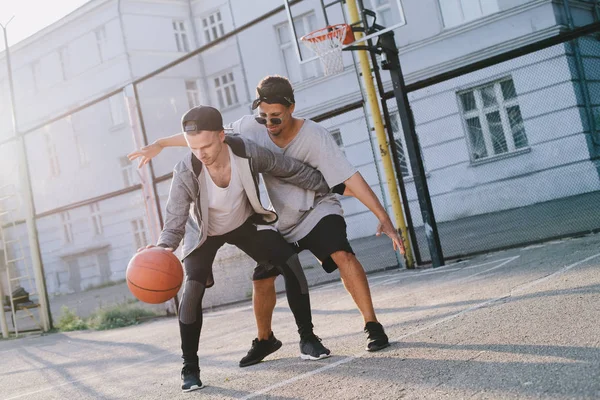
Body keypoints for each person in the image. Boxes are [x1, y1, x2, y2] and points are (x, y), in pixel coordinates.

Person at [128, 75, 405, 368]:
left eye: (276, 117)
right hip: (243, 225)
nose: (269, 124)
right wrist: (160, 145)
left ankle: (341, 332)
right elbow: (182, 199)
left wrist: (364, 205)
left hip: (281, 214)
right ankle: (229, 353)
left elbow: (320, 175)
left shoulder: (287, 143)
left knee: (315, 257)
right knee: (229, 283)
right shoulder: (225, 144)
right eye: (264, 117)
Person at [143, 105, 339, 392]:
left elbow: (288, 169)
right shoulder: (185, 169)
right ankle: (190, 367)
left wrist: (330, 185)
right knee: (192, 289)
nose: (201, 153)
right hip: (204, 234)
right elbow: (175, 222)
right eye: (193, 147)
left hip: (244, 223)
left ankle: (308, 339)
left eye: (207, 145)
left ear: (222, 136)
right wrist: (162, 249)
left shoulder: (247, 152)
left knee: (289, 261)